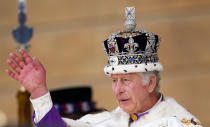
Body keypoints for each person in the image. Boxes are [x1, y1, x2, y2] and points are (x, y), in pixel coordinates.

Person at [6, 7, 202, 127]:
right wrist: (39, 91)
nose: (118, 90)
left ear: (150, 83)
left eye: (125, 80)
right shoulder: (109, 121)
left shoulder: (178, 122)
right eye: (114, 81)